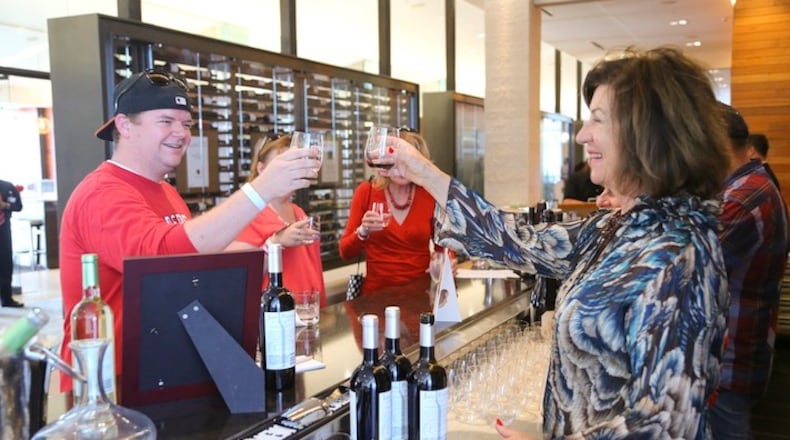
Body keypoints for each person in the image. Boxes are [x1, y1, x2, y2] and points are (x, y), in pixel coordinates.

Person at [389, 47, 731, 439]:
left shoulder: (681, 254)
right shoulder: (617, 227)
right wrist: (424, 173)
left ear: (648, 135)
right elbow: (520, 240)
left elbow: (668, 424)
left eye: (598, 120)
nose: (582, 134)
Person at [58, 69, 319, 392]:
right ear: (124, 125)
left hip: (161, 371)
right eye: (166, 121)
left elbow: (202, 255)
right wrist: (260, 190)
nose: (181, 133)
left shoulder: (166, 192)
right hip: (109, 385)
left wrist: (267, 252)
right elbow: (161, 258)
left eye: (186, 124)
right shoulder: (102, 193)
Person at [710, 105, 789, 440]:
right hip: (741, 355)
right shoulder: (750, 183)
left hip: (730, 363)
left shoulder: (742, 199)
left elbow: (682, 266)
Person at [338, 129, 450, 296]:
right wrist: (363, 231)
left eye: (410, 162)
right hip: (375, 299)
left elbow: (445, 247)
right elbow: (345, 252)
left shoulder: (430, 196)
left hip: (419, 297)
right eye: (397, 160)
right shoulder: (366, 192)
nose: (403, 168)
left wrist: (444, 262)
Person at [227, 134, 326, 307]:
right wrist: (276, 242)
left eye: (295, 164)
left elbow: (313, 268)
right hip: (275, 314)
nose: (291, 170)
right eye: (282, 164)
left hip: (308, 311)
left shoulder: (299, 212)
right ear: (261, 169)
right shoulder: (246, 213)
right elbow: (237, 276)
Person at [0, 179, 23, 308]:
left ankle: (6, 298)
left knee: (5, 264)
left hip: (3, 230)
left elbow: (18, 206)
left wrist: (5, 205)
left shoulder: (7, 186)